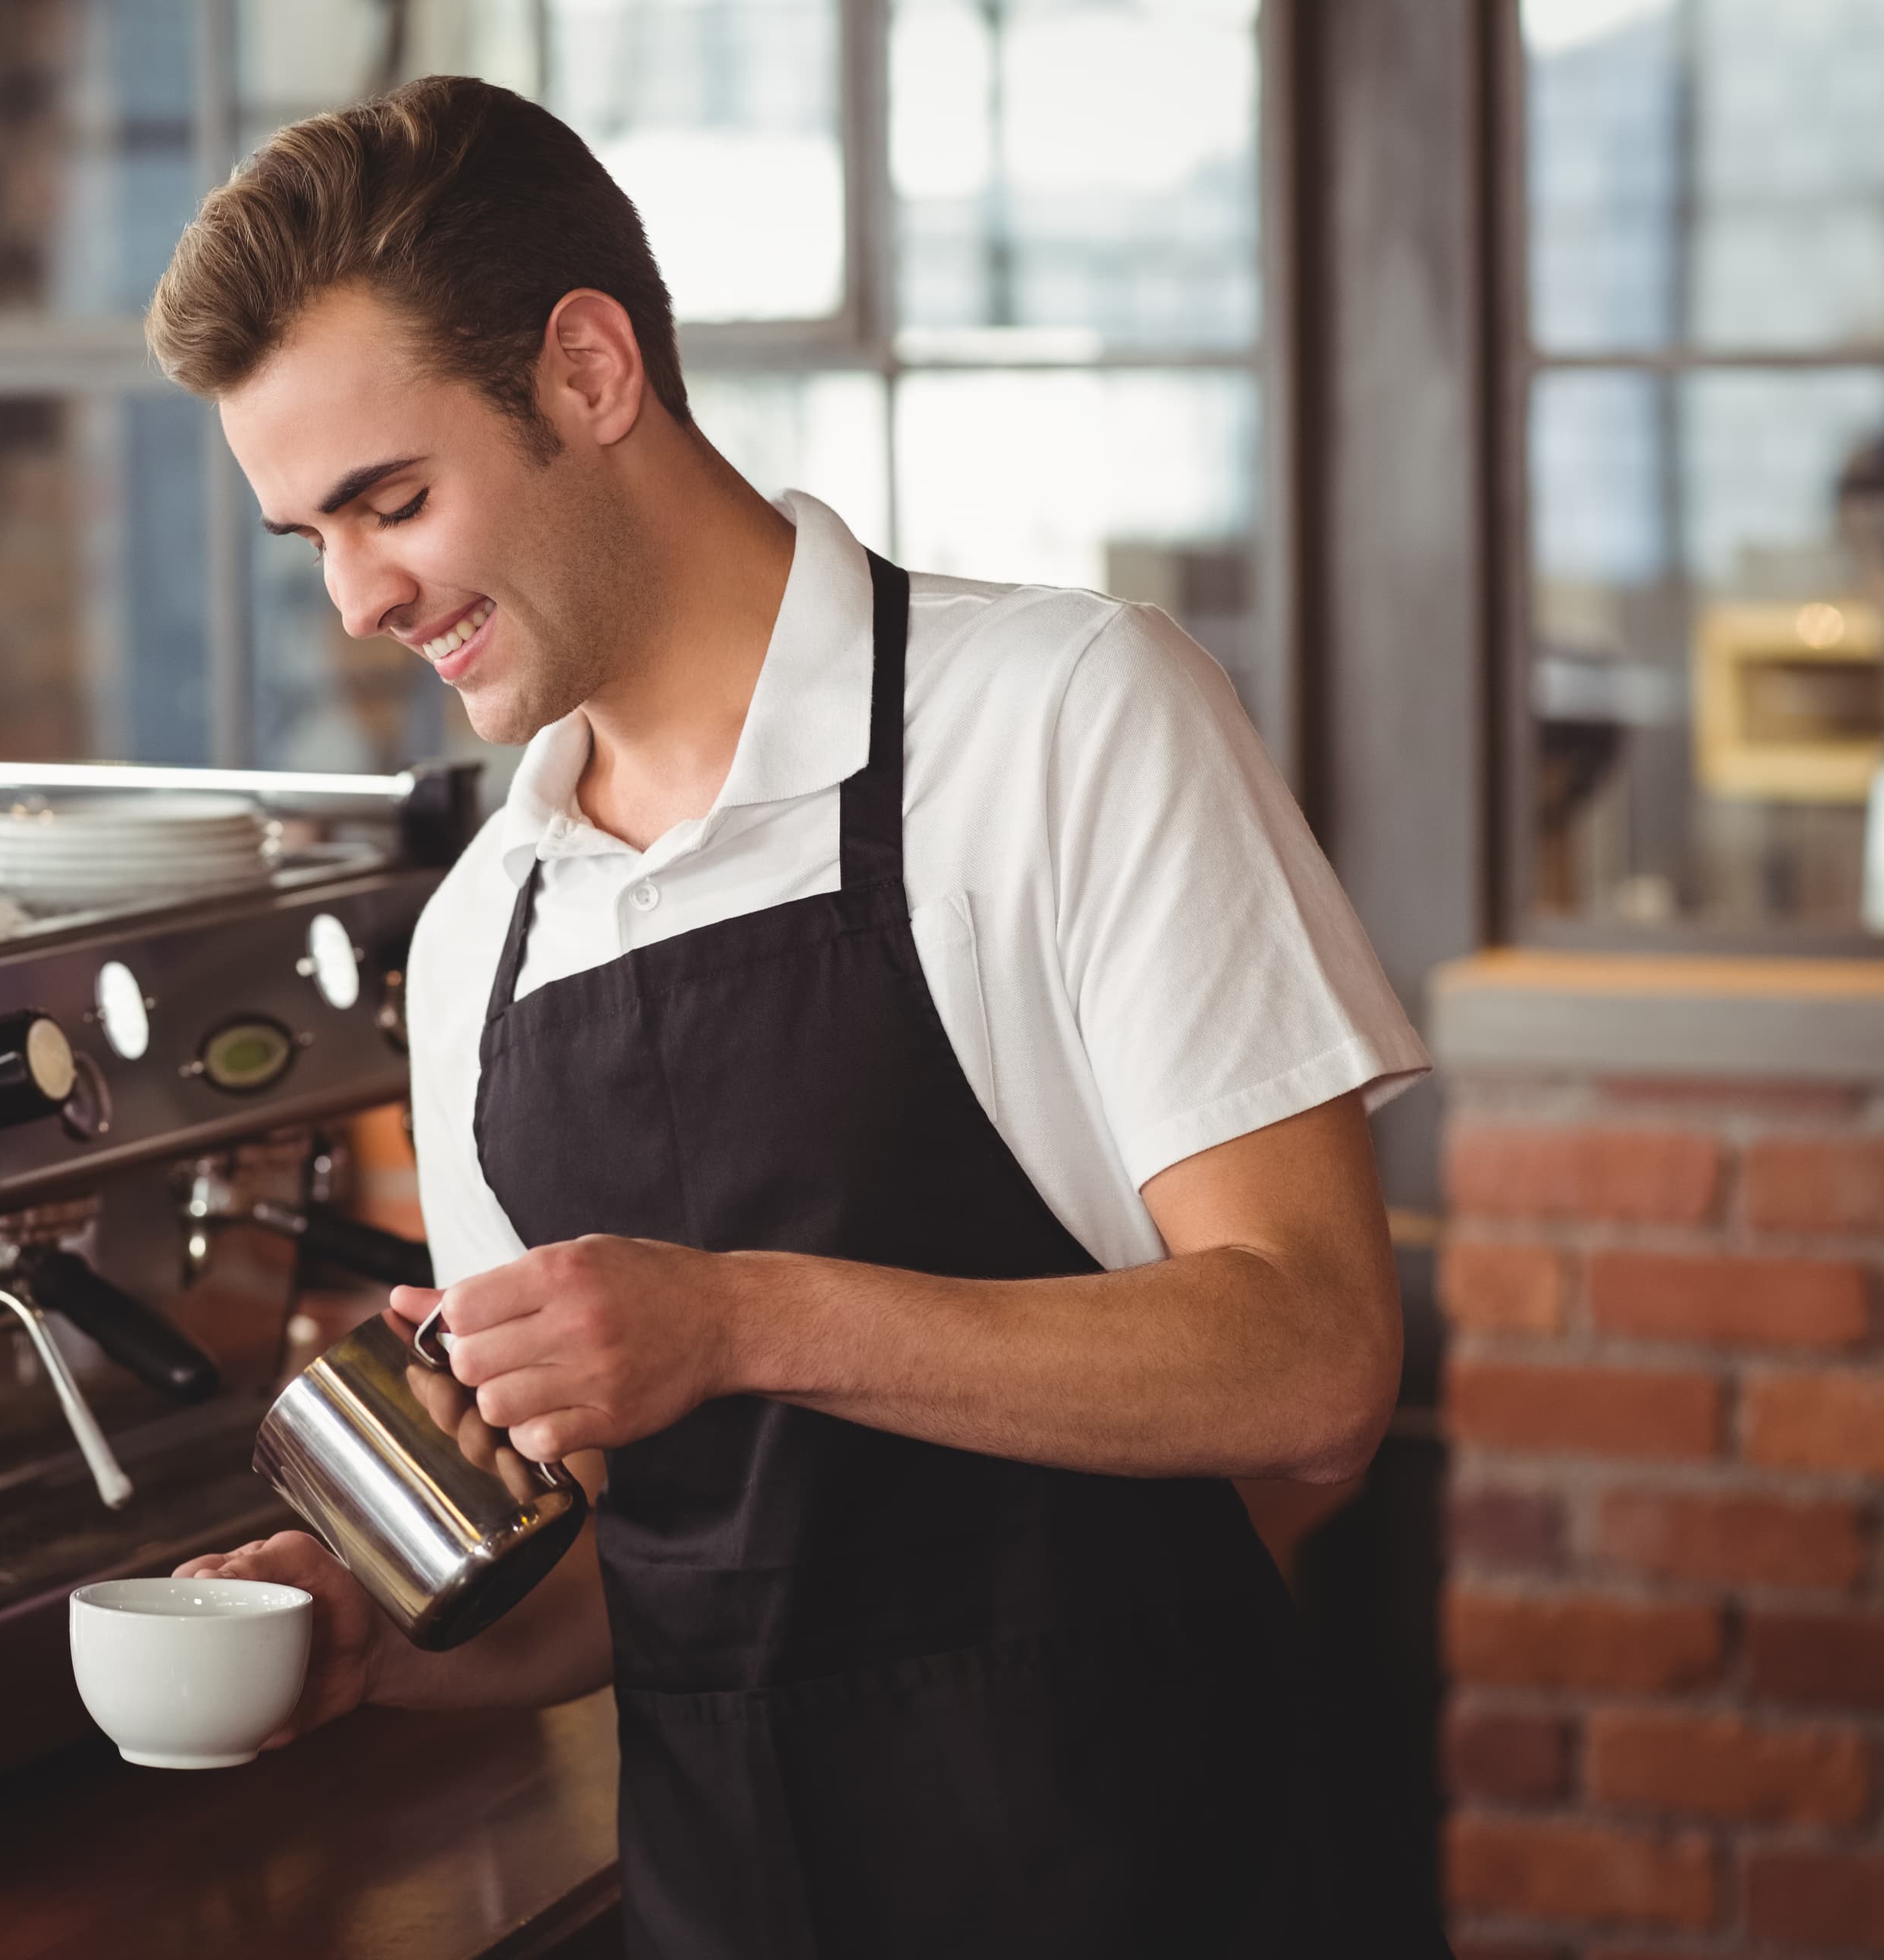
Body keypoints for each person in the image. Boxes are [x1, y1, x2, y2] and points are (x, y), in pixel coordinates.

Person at [149, 74, 1440, 1958]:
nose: (358, 598)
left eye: (392, 499)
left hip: (1150, 1884)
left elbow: (1318, 1363)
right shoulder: (482, 937)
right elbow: (655, 1567)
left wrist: (742, 1314)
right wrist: (394, 1645)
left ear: (589, 370)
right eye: (310, 538)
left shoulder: (1068, 717)